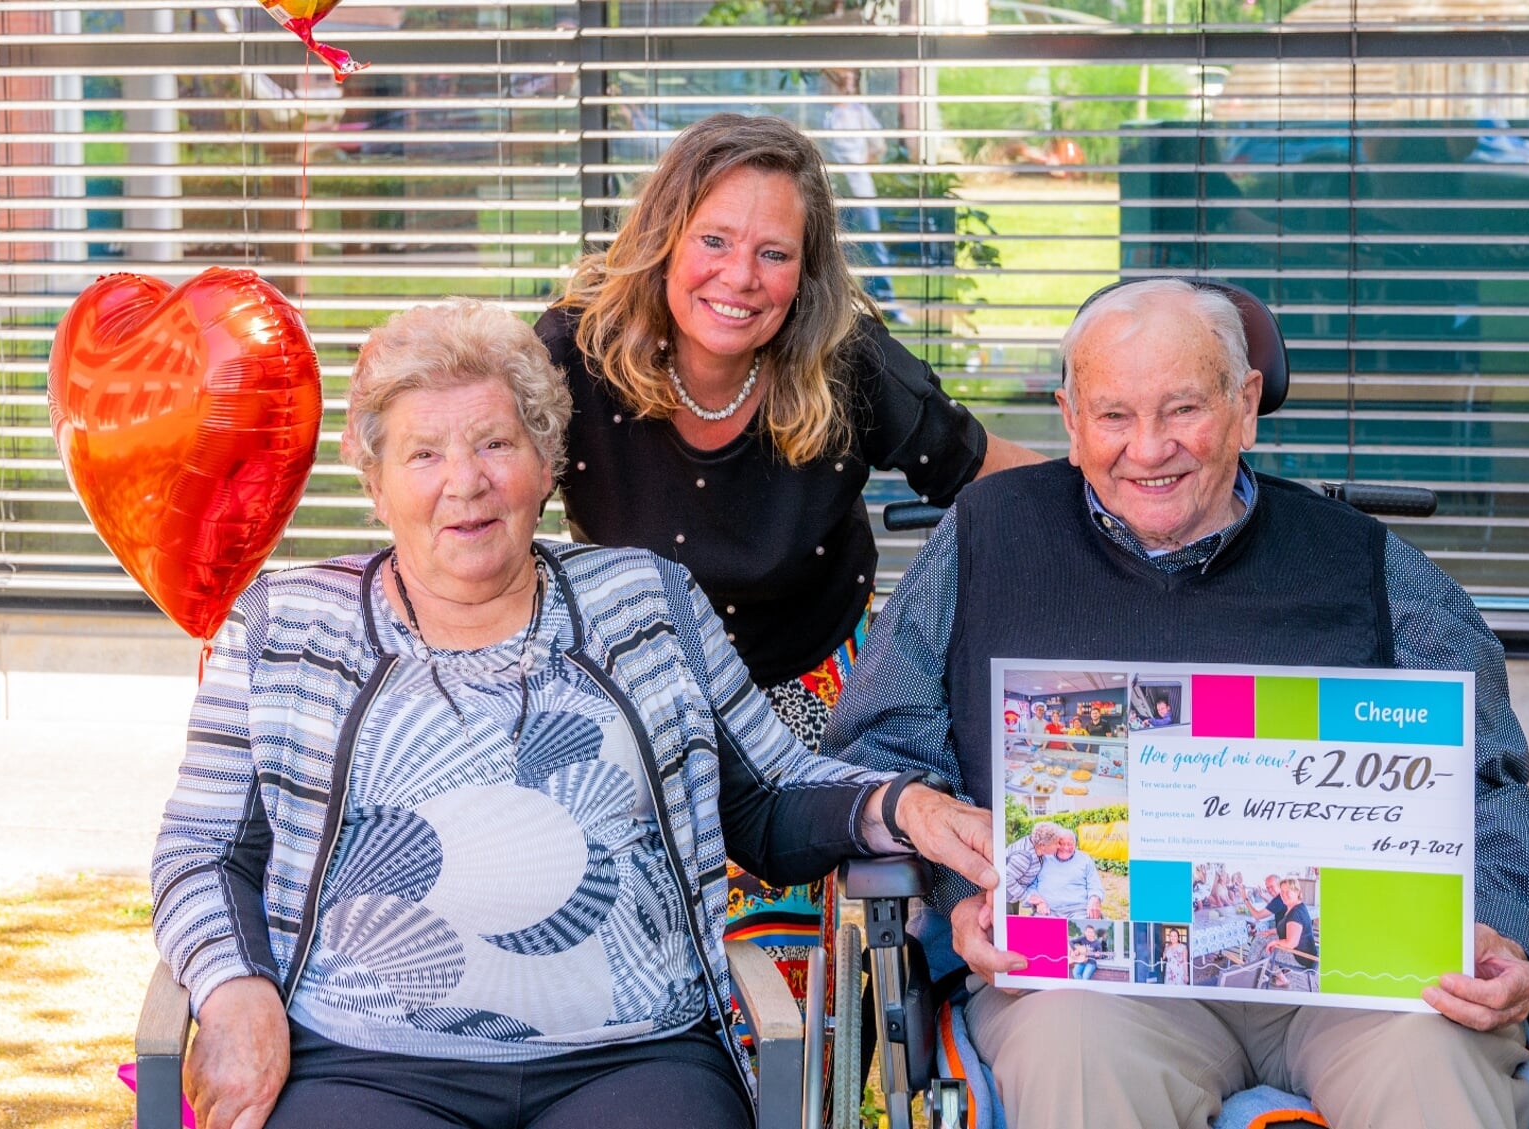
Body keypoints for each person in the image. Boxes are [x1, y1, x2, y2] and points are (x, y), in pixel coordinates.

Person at [152, 299, 998, 1129]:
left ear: (547, 460)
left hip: (632, 1057)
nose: (467, 481)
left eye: (495, 443)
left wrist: (904, 806)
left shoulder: (645, 602)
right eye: (423, 454)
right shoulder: (288, 626)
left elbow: (770, 793)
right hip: (364, 1059)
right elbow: (202, 850)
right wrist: (233, 985)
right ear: (375, 483)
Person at [826, 278, 1529, 1129]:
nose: (1150, 448)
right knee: (1078, 1058)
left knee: (1434, 1062)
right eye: (1114, 416)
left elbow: (1488, 780)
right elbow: (881, 738)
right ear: (1069, 417)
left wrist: (1503, 928)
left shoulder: (1366, 565)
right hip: (1097, 978)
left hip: (1354, 976)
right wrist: (962, 888)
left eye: (1183, 410)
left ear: (1245, 406)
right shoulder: (988, 537)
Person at [536, 111, 1039, 995]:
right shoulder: (576, 351)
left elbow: (987, 475)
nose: (741, 276)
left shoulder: (845, 362)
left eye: (773, 252)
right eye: (716, 240)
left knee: (792, 983)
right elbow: (481, 487)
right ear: (664, 240)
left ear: (805, 272)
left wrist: (1136, 478)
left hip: (810, 696)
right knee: (617, 948)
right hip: (635, 687)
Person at [818, 67, 900, 318]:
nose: (847, 88)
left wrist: (859, 170)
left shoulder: (858, 112)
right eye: (843, 83)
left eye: (850, 83)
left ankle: (885, 303)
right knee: (835, 249)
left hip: (861, 192)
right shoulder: (825, 115)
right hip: (835, 194)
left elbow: (879, 146)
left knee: (872, 246)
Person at [1017, 826, 1102, 920]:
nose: (1065, 848)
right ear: (1055, 843)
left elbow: (1095, 884)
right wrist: (1038, 902)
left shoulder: (1085, 859)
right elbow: (1030, 885)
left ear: (1075, 844)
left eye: (1070, 844)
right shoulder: (1043, 858)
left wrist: (1095, 898)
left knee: (1084, 930)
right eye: (1061, 843)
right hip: (1048, 910)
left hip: (1078, 910)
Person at [1265, 877, 1319, 989]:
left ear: (1297, 892)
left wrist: (1274, 942)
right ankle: (1255, 971)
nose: (1284, 895)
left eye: (1288, 891)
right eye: (1282, 892)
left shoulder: (1295, 913)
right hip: (1309, 952)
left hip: (1301, 957)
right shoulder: (1298, 906)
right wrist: (1273, 931)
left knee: (1265, 951)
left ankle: (1280, 978)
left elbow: (1291, 943)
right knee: (1264, 940)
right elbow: (1290, 927)